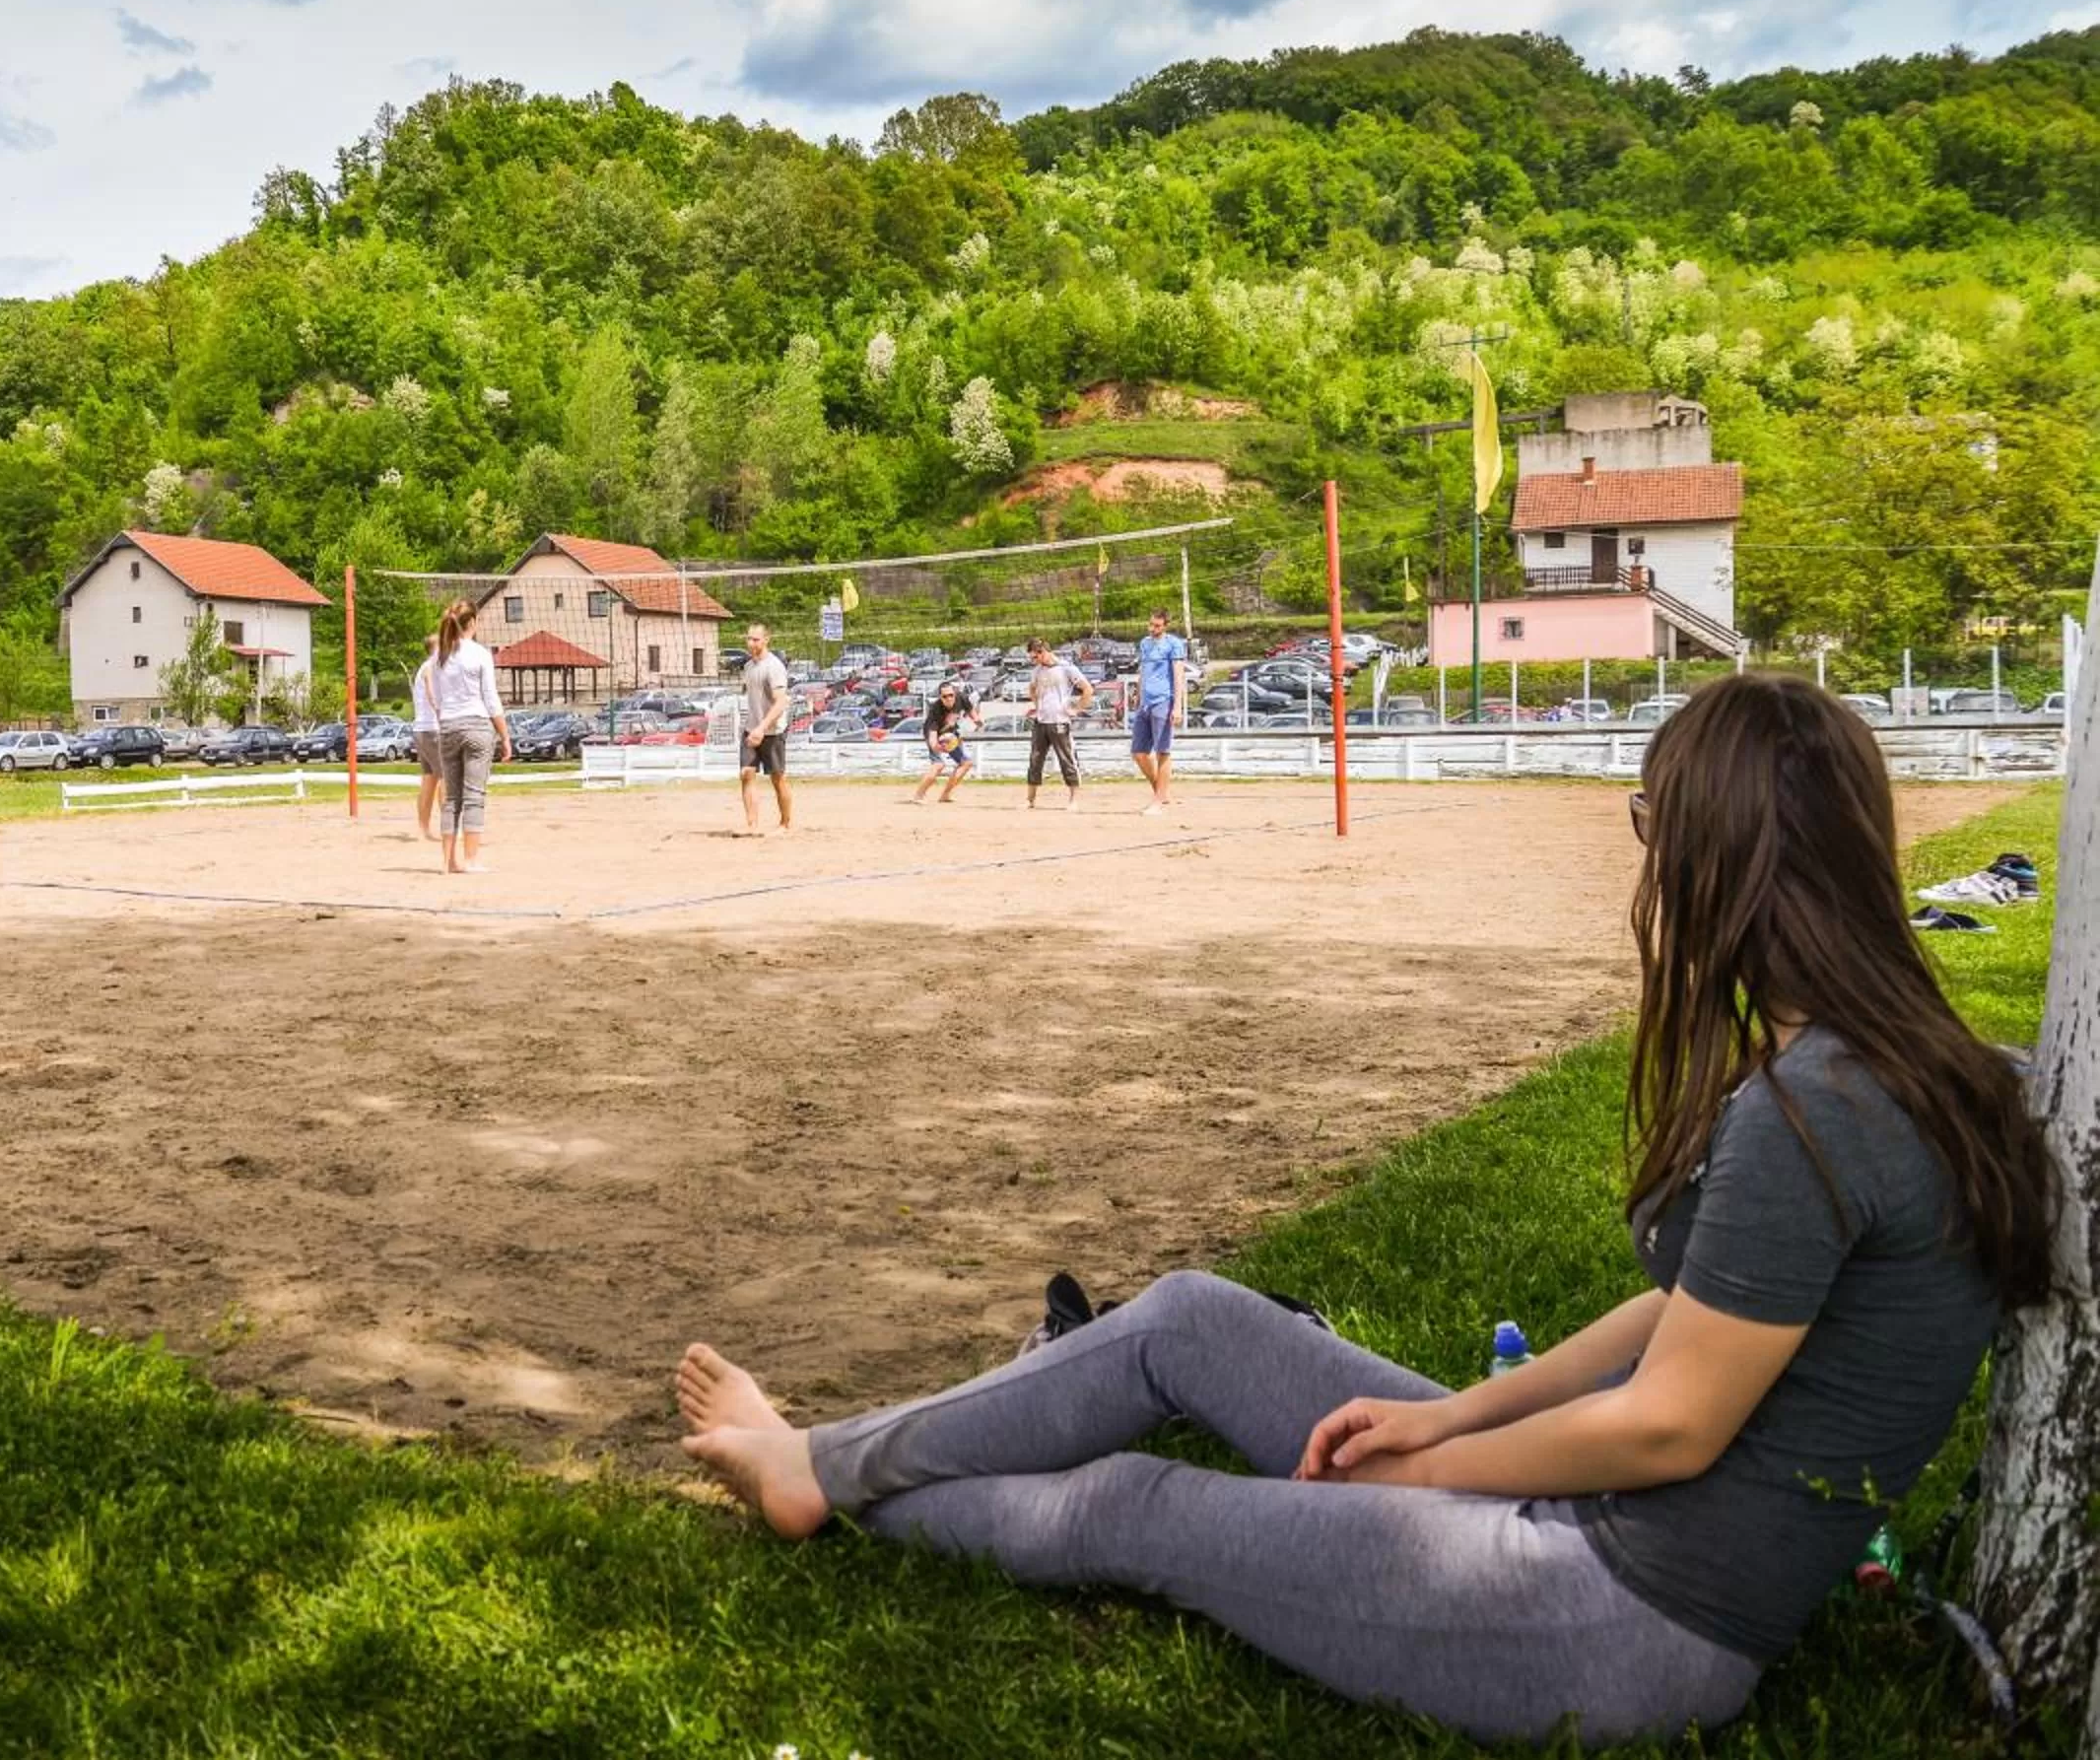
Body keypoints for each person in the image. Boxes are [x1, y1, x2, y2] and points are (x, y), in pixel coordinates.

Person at [669, 671, 2053, 1749]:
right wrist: (1454, 1416)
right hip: (1596, 1523)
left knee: (1140, 1504)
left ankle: (820, 1485)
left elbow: (1667, 1423)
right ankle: (828, 1460)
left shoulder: (1821, 1105)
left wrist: (1425, 1474)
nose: (1645, 863)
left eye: (1651, 823)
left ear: (1723, 855)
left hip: (1621, 1615)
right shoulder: (1893, 1064)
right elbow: (1679, 1316)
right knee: (1191, 1320)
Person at [422, 599, 509, 874]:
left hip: (448, 726)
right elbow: (491, 699)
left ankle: (448, 862)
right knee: (474, 795)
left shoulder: (439, 656)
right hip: (476, 726)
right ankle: (470, 860)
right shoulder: (480, 654)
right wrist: (505, 736)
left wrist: (446, 719)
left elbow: (435, 699)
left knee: (451, 798)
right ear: (472, 622)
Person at [1132, 608, 1190, 815]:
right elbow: (1143, 671)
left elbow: (1178, 675)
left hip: (1163, 701)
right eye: (1151, 624)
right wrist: (1138, 694)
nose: (1152, 629)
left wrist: (1177, 706)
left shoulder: (1174, 644)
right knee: (1139, 753)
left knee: (1162, 751)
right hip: (1145, 703)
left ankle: (1157, 801)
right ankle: (1161, 792)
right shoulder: (1145, 643)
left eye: (1157, 626)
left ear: (1165, 626)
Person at [1022, 638, 1091, 810]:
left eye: (1035, 657)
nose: (1033, 661)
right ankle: (1030, 799)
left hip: (1060, 721)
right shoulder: (1037, 671)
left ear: (1043, 652)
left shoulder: (1066, 668)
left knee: (1067, 760)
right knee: (1035, 760)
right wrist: (1037, 706)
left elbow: (1087, 689)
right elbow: (1032, 689)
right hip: (1041, 721)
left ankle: (1074, 800)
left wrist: (1077, 709)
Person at [736, 623, 793, 833]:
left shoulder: (774, 667)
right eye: (748, 638)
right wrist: (754, 728)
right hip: (751, 729)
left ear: (766, 640)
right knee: (746, 773)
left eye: (756, 639)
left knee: (777, 778)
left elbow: (781, 702)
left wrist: (762, 728)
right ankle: (752, 825)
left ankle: (785, 824)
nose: (751, 643)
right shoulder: (748, 667)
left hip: (772, 730)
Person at [910, 676, 979, 803]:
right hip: (935, 734)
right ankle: (918, 796)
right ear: (940, 697)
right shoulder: (936, 710)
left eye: (951, 695)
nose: (949, 698)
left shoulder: (961, 697)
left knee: (966, 763)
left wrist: (976, 720)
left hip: (950, 734)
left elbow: (970, 710)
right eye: (945, 696)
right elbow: (932, 736)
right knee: (938, 765)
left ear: (955, 693)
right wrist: (938, 746)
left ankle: (945, 795)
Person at [409, 639, 442, 839]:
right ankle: (450, 828)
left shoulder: (425, 667)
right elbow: (431, 693)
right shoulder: (431, 667)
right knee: (446, 778)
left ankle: (423, 829)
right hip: (432, 730)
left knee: (429, 780)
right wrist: (440, 711)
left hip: (421, 730)